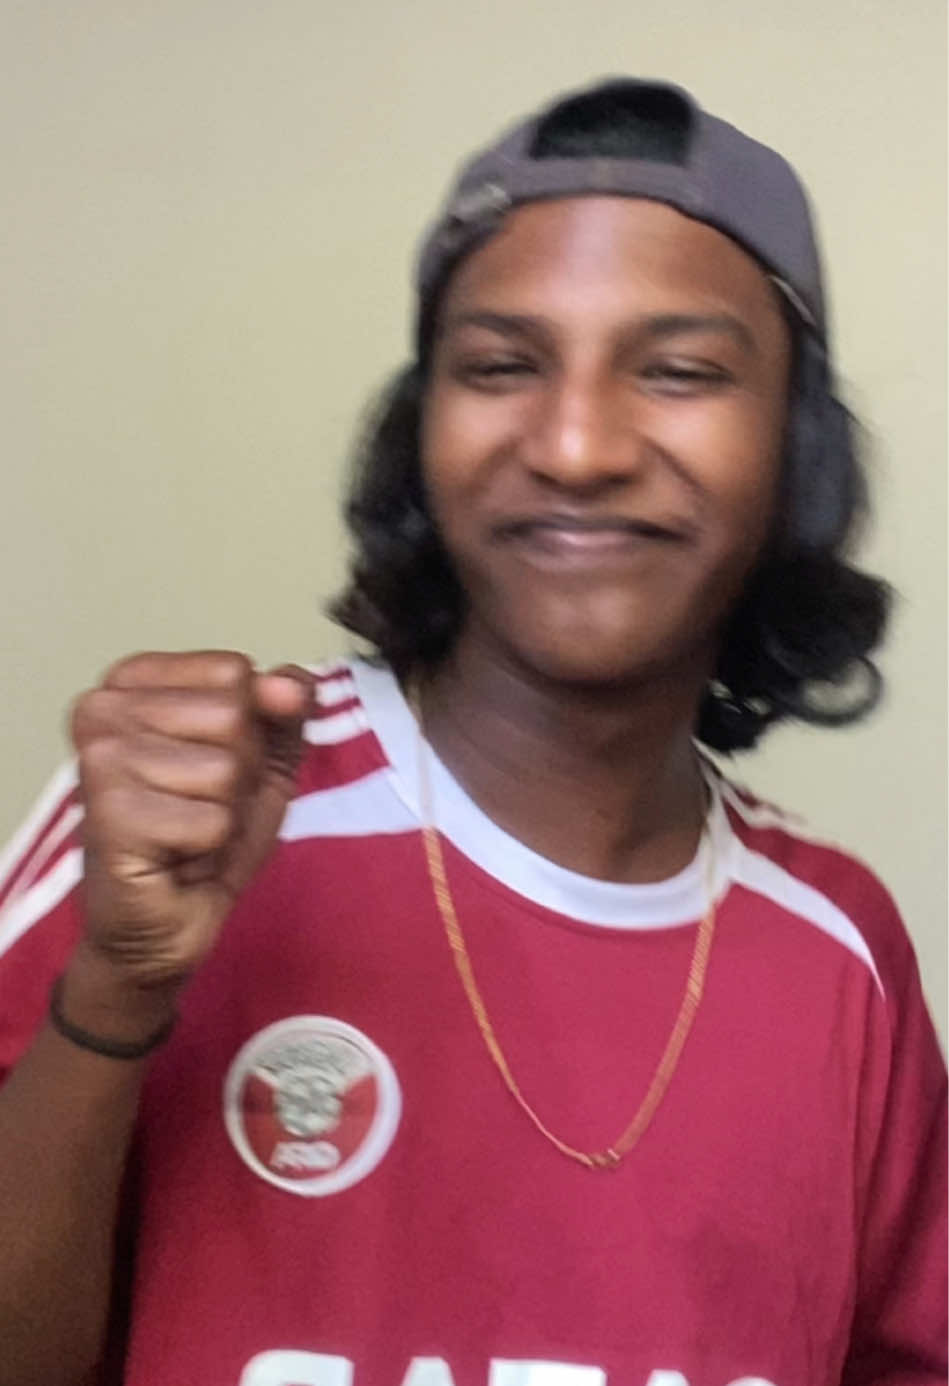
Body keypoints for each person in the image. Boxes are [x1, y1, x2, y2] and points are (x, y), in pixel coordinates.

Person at [0, 77, 944, 1386]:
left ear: (793, 452)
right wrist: (115, 995)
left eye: (678, 371)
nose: (574, 446)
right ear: (420, 434)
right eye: (501, 366)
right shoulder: (193, 822)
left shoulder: (842, 952)